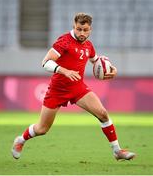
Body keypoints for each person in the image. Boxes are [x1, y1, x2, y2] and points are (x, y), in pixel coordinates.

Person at [12, 12, 136, 160]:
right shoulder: (64, 41)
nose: (82, 33)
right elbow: (45, 62)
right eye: (79, 29)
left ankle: (117, 151)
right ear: (74, 26)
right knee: (42, 129)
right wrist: (64, 71)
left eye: (85, 30)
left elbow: (95, 60)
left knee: (102, 114)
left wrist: (110, 70)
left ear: (90, 30)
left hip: (77, 88)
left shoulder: (89, 45)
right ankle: (21, 140)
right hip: (57, 90)